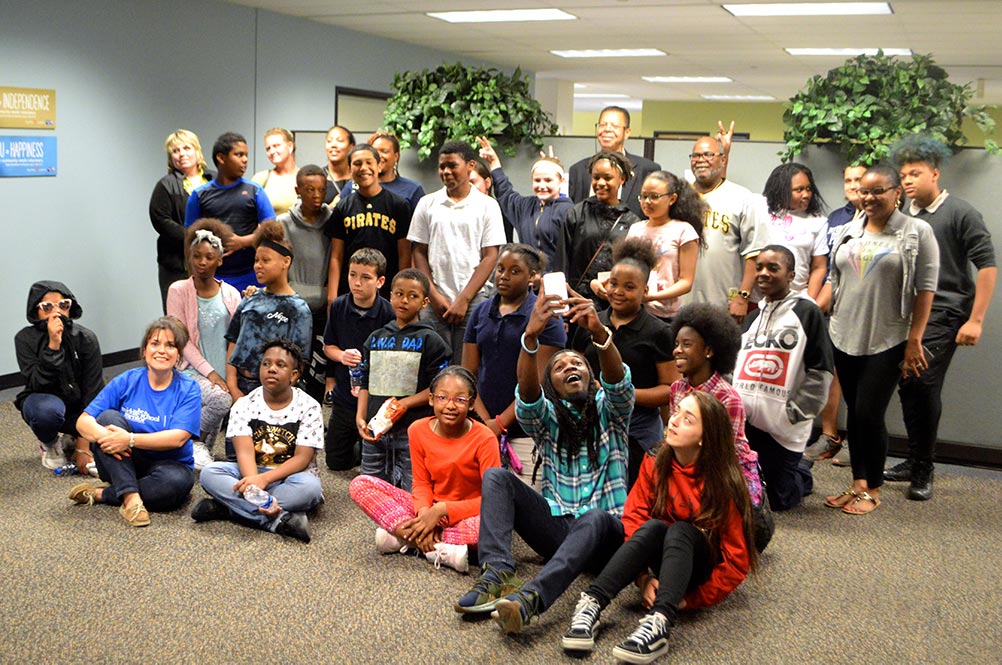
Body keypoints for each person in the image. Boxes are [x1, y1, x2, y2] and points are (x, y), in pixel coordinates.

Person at [455, 289, 632, 639]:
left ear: (591, 377)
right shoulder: (547, 419)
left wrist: (599, 334)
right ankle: (497, 573)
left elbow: (617, 381)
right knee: (496, 477)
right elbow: (528, 394)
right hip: (558, 530)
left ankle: (533, 598)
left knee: (594, 518)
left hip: (607, 536)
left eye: (577, 364)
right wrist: (531, 337)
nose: (570, 367)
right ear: (551, 385)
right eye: (560, 367)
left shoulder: (612, 413)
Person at [561, 393, 757, 663]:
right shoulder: (655, 460)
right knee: (653, 527)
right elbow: (634, 518)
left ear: (705, 437)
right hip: (665, 561)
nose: (674, 421)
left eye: (688, 419)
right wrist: (642, 578)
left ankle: (661, 621)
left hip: (697, 567)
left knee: (681, 530)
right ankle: (592, 602)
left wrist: (693, 599)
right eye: (676, 412)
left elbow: (737, 562)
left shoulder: (725, 483)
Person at [885, 136, 996, 500]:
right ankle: (915, 458)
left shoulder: (961, 213)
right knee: (908, 384)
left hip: (945, 312)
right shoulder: (902, 218)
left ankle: (923, 467)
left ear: (935, 173)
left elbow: (987, 267)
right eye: (903, 175)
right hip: (906, 313)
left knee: (922, 382)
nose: (908, 181)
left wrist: (976, 320)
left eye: (915, 173)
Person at [824, 165, 939, 515]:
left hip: (888, 337)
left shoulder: (917, 232)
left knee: (869, 413)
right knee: (855, 416)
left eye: (878, 191)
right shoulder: (847, 230)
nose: (869, 197)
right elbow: (834, 278)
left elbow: (926, 288)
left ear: (896, 192)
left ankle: (872, 487)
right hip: (844, 333)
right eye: (864, 191)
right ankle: (857, 482)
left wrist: (914, 339)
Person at [349, 366, 501, 572]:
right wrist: (425, 515)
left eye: (460, 400)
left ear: (472, 404)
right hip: (428, 508)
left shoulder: (484, 438)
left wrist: (442, 510)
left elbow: (493, 499)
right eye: (442, 397)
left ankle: (405, 538)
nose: (450, 406)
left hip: (467, 513)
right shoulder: (418, 429)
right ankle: (439, 547)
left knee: (496, 526)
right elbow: (421, 483)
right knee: (360, 484)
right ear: (431, 399)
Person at [69, 317, 201, 527]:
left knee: (176, 485)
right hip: (124, 460)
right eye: (155, 343)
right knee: (107, 418)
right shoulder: (127, 379)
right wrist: (110, 438)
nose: (162, 351)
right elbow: (83, 422)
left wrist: (128, 439)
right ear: (144, 350)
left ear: (178, 355)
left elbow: (178, 438)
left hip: (169, 466)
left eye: (170, 345)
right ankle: (131, 499)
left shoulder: (189, 389)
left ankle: (104, 494)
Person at [733, 246, 833, 510]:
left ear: (791, 275)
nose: (764, 273)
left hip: (784, 426)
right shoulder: (753, 317)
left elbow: (821, 370)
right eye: (759, 268)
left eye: (773, 268)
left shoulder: (806, 312)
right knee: (744, 493)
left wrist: (795, 413)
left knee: (779, 501)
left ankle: (801, 470)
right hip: (748, 425)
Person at [193, 338, 322, 543]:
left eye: (280, 365)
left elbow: (302, 458)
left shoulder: (310, 407)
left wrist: (264, 482)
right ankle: (277, 520)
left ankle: (229, 509)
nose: (271, 369)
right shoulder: (244, 404)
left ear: (294, 375)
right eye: (266, 364)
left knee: (311, 488)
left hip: (291, 476)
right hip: (251, 471)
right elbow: (244, 452)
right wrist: (255, 483)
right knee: (210, 473)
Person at [572, 238, 675, 489]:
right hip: (592, 422)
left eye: (629, 287)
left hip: (638, 428)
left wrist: (619, 394)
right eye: (613, 284)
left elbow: (668, 389)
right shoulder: (590, 322)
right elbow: (572, 365)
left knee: (637, 493)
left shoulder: (658, 331)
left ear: (645, 291)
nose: (618, 292)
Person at [462, 244, 567, 487]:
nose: (503, 276)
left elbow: (536, 383)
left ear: (532, 277)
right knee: (482, 505)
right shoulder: (480, 312)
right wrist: (484, 422)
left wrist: (499, 424)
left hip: (527, 432)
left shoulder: (546, 317)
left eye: (514, 271)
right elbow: (468, 374)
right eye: (500, 269)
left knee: (523, 509)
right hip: (481, 427)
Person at [670, 303, 769, 549]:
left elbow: (726, 457)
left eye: (687, 345)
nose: (677, 351)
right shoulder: (677, 389)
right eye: (676, 344)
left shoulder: (727, 398)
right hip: (687, 465)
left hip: (723, 473)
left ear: (709, 351)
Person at [408, 140, 506, 363]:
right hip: (434, 300)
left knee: (469, 366)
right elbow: (419, 252)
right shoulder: (427, 203)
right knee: (434, 365)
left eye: (452, 165)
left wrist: (464, 299)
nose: (446, 172)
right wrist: (432, 294)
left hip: (474, 299)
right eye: (442, 166)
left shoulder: (487, 205)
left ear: (470, 165)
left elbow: (490, 256)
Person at [355, 269, 451, 491]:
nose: (404, 300)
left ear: (425, 302)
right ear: (390, 296)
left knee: (412, 490)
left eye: (413, 296)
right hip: (375, 429)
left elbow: (438, 388)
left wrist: (405, 403)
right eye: (398, 294)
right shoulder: (375, 338)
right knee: (372, 489)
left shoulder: (431, 340)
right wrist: (361, 416)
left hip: (412, 431)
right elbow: (365, 382)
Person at [166, 219, 241, 469]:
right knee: (221, 401)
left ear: (219, 260)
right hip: (192, 371)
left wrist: (227, 377)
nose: (201, 262)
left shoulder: (231, 293)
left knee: (207, 446)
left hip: (223, 373)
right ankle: (191, 441)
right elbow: (181, 338)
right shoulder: (178, 290)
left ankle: (196, 449)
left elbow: (237, 336)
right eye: (196, 256)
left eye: (209, 257)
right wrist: (210, 374)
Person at [805, 165, 867, 467]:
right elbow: (828, 266)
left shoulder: (878, 219)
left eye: (860, 180)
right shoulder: (836, 219)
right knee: (830, 373)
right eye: (849, 180)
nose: (854, 185)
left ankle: (859, 441)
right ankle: (829, 436)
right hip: (831, 305)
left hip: (861, 308)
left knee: (860, 378)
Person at [15, 281, 104, 472]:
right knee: (47, 413)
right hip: (44, 402)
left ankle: (74, 437)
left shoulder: (86, 338)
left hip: (79, 405)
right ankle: (49, 442)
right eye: (47, 307)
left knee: (115, 420)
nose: (56, 313)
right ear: (36, 311)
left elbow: (94, 390)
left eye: (63, 305)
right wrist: (54, 344)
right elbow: (38, 383)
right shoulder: (24, 339)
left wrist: (83, 446)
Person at [323, 248, 394, 471]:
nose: (357, 282)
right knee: (335, 462)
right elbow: (328, 346)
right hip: (345, 396)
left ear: (380, 281)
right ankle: (355, 447)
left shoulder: (388, 312)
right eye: (352, 275)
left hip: (375, 397)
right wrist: (342, 356)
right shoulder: (339, 306)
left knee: (374, 465)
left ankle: (365, 447)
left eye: (365, 277)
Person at [685, 136, 769, 324]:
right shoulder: (680, 196)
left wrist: (743, 296)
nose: (700, 160)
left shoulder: (742, 198)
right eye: (696, 155)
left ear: (723, 160)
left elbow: (754, 253)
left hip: (725, 301)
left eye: (708, 154)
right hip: (683, 302)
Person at [225, 221, 312, 402]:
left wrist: (277, 396)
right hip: (241, 386)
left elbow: (300, 360)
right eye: (256, 260)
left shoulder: (298, 309)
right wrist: (233, 387)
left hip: (275, 392)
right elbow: (233, 342)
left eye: (266, 260)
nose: (258, 266)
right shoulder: (250, 299)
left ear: (285, 262)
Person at [184, 132, 277, 293]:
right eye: (239, 155)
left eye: (246, 155)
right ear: (221, 158)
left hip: (251, 277)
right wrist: (194, 280)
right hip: (212, 278)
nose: (245, 160)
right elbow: (189, 240)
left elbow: (272, 232)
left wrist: (243, 242)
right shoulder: (199, 195)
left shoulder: (254, 191)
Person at [554, 151, 641, 307]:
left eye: (607, 178)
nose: (600, 183)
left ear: (622, 179)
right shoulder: (577, 213)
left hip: (614, 304)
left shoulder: (633, 222)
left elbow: (634, 269)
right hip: (576, 301)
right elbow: (562, 263)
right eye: (596, 177)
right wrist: (561, 310)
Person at [326, 144, 411, 303]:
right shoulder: (343, 207)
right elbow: (336, 256)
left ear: (379, 166)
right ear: (350, 169)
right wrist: (332, 296)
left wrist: (401, 292)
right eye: (357, 164)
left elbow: (404, 255)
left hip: (387, 292)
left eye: (369, 163)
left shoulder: (398, 205)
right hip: (351, 291)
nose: (363, 168)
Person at [277, 164, 333, 402]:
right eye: (310, 190)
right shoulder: (283, 223)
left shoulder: (333, 221)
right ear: (298, 189)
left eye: (322, 190)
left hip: (325, 304)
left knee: (319, 368)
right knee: (293, 363)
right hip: (293, 304)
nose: (317, 196)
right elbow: (278, 264)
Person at [476, 136, 574, 263]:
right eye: (537, 180)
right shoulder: (525, 207)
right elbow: (505, 193)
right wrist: (494, 163)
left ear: (561, 181)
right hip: (527, 278)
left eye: (548, 180)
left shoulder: (569, 211)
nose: (542, 185)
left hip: (555, 280)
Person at [625, 171, 706, 322]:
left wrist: (651, 297)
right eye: (643, 196)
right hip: (634, 310)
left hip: (666, 316)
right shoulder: (635, 228)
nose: (647, 202)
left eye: (654, 196)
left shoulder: (684, 230)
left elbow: (686, 282)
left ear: (672, 198)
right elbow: (626, 268)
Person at [149, 129, 214, 311]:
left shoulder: (215, 180)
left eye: (186, 148)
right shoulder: (165, 185)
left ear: (197, 150)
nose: (182, 154)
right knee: (178, 315)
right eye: (176, 151)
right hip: (176, 264)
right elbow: (160, 219)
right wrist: (193, 238)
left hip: (213, 260)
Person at [567, 106, 661, 218]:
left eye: (614, 126)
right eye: (602, 125)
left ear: (627, 132)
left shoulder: (647, 169)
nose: (607, 129)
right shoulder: (578, 170)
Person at [761, 163, 829, 300]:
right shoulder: (762, 212)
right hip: (761, 298)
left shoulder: (818, 222)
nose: (806, 195)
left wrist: (810, 301)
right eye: (799, 190)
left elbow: (819, 267)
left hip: (797, 297)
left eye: (808, 189)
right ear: (782, 191)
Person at [368, 131, 426, 214]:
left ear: (396, 156)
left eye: (384, 151)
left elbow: (422, 224)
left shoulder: (412, 189)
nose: (378, 156)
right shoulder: (353, 187)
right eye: (374, 151)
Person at [251, 127, 299, 216]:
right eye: (268, 148)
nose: (272, 151)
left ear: (290, 146)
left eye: (276, 146)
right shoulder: (261, 178)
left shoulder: (305, 177)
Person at [323, 125, 355, 205]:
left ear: (351, 147)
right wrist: (331, 207)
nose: (333, 145)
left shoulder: (360, 178)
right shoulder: (318, 178)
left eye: (340, 141)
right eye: (329, 141)